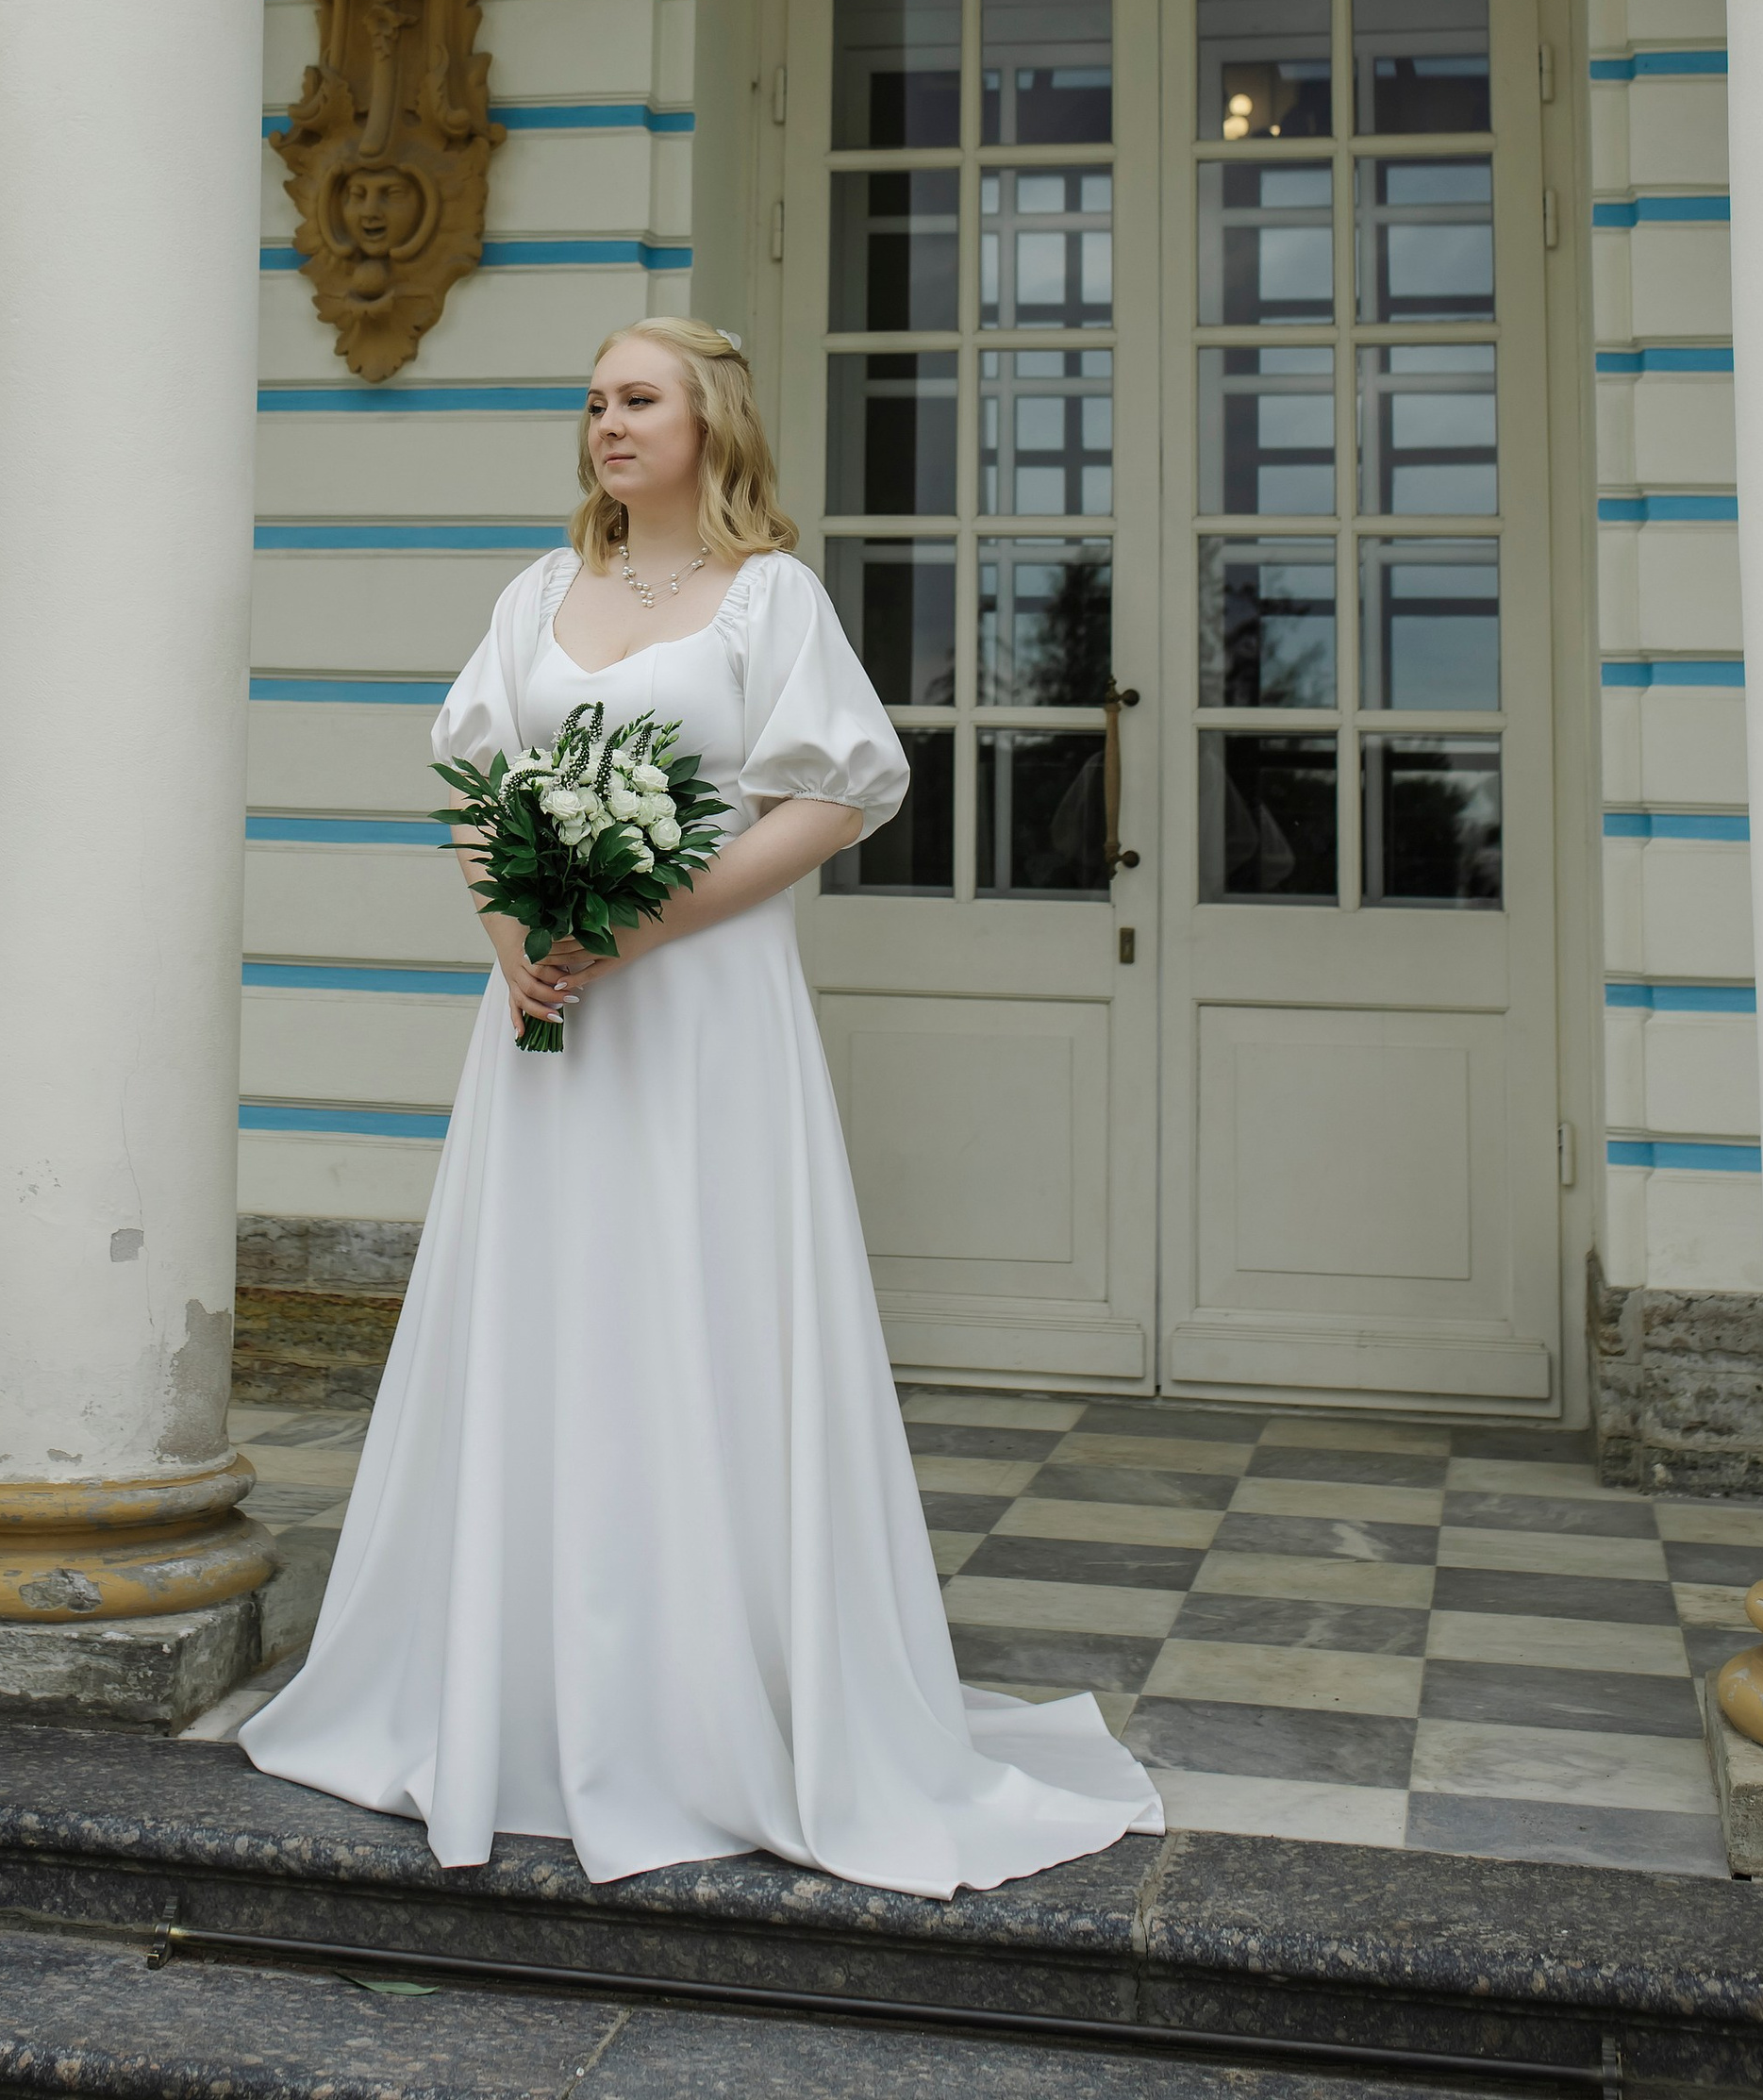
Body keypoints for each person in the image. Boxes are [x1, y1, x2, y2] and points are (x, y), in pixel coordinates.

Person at [242, 315, 1161, 1895]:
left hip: (704, 1018)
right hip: (546, 1017)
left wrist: (642, 919)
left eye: (638, 397)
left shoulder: (770, 599)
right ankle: (513, 1694)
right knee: (550, 1320)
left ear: (707, 419)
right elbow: (473, 784)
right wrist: (518, 936)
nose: (607, 420)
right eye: (593, 397)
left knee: (696, 1313)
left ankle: (709, 1705)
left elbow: (841, 789)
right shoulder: (539, 593)